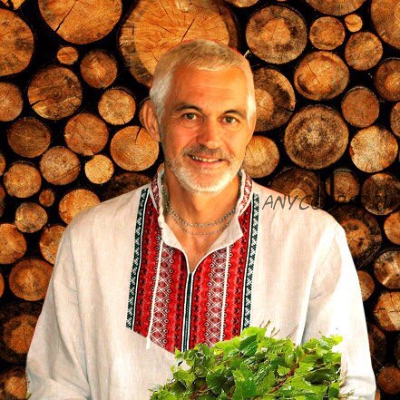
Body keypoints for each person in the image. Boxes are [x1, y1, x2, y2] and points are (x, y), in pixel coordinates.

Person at [25, 39, 376, 399]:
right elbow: (57, 384)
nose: (210, 139)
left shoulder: (313, 240)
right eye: (190, 115)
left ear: (250, 126)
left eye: (229, 119)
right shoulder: (91, 238)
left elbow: (345, 388)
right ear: (153, 121)